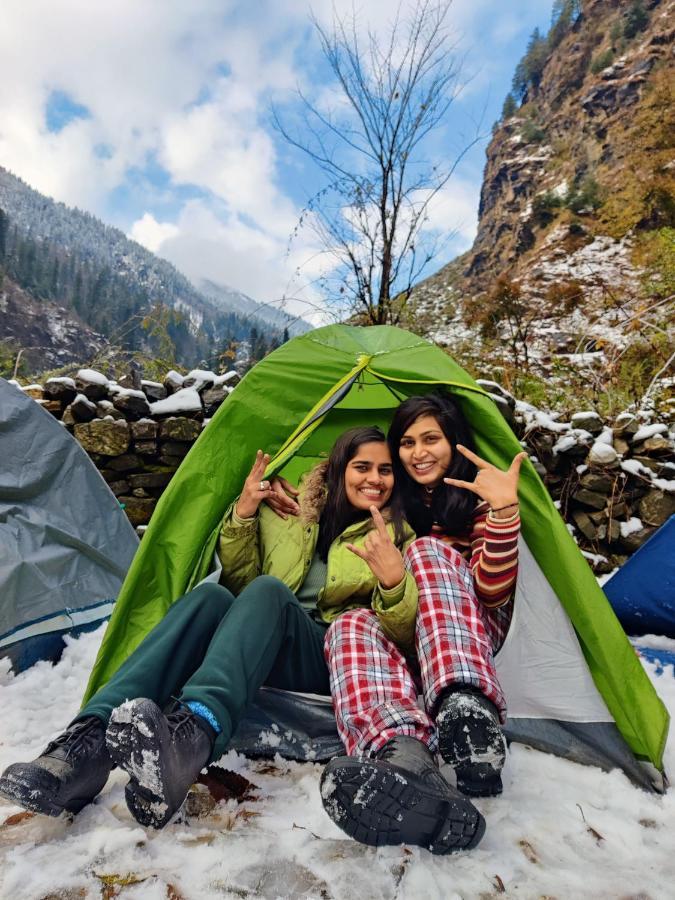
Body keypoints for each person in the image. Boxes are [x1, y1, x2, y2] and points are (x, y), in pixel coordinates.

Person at [0, 426, 484, 852]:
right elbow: (240, 584)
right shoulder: (295, 517)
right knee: (209, 600)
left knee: (270, 593)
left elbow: (404, 641)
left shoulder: (399, 533)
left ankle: (194, 734)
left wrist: (394, 582)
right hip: (266, 639)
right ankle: (83, 748)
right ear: (338, 469)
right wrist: (247, 514)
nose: (374, 479)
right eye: (361, 467)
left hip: (335, 657)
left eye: (384, 470)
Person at [268, 393, 525, 846]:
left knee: (425, 553)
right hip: (412, 633)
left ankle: (467, 713)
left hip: (471, 630)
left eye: (431, 439)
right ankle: (404, 757)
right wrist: (288, 497)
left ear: (455, 441)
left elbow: (492, 591)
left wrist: (503, 512)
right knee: (351, 623)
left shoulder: (476, 496)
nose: (418, 453)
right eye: (406, 443)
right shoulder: (398, 504)